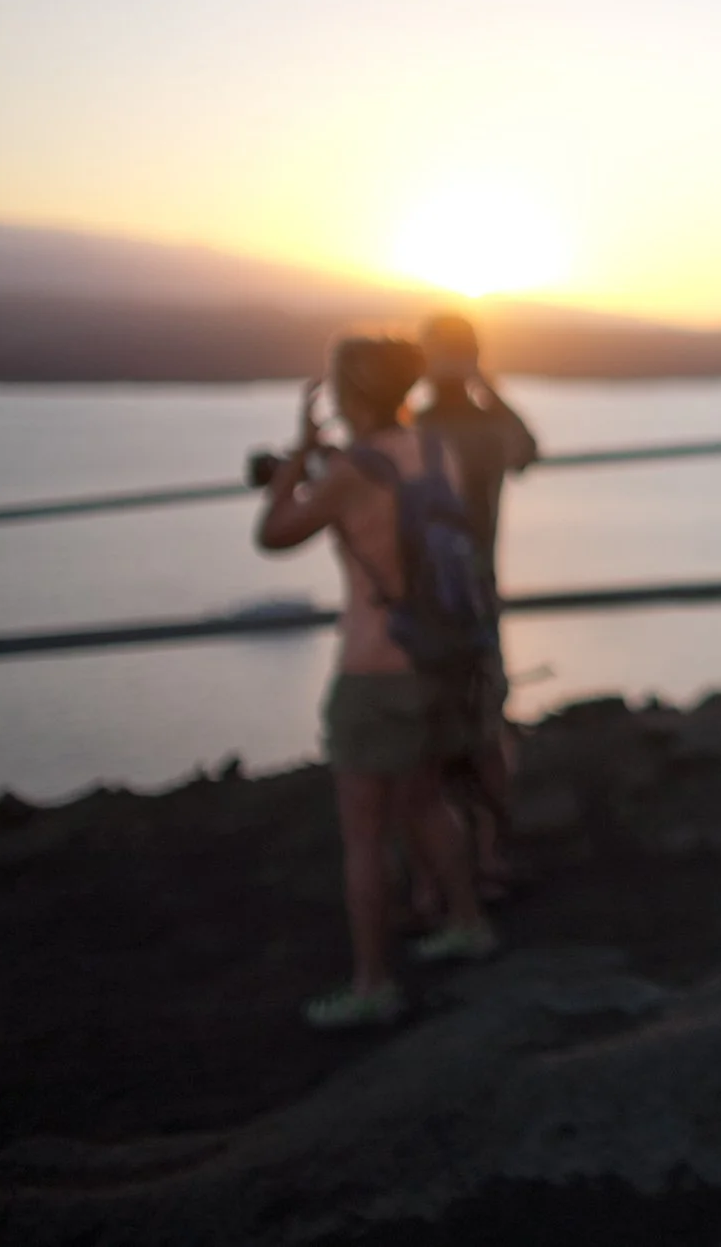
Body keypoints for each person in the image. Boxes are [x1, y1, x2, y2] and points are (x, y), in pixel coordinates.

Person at [256, 335, 498, 1029]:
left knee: (363, 833)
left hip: (373, 668)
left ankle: (371, 983)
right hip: (434, 660)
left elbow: (275, 532)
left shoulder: (348, 470)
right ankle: (466, 921)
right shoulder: (431, 449)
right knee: (425, 803)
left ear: (347, 394)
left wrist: (299, 456)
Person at [414, 312, 538, 895]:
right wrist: (486, 382)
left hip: (422, 606)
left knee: (433, 737)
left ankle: (444, 878)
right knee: (485, 725)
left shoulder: (411, 428)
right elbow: (530, 450)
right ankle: (488, 856)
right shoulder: (489, 426)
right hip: (477, 597)